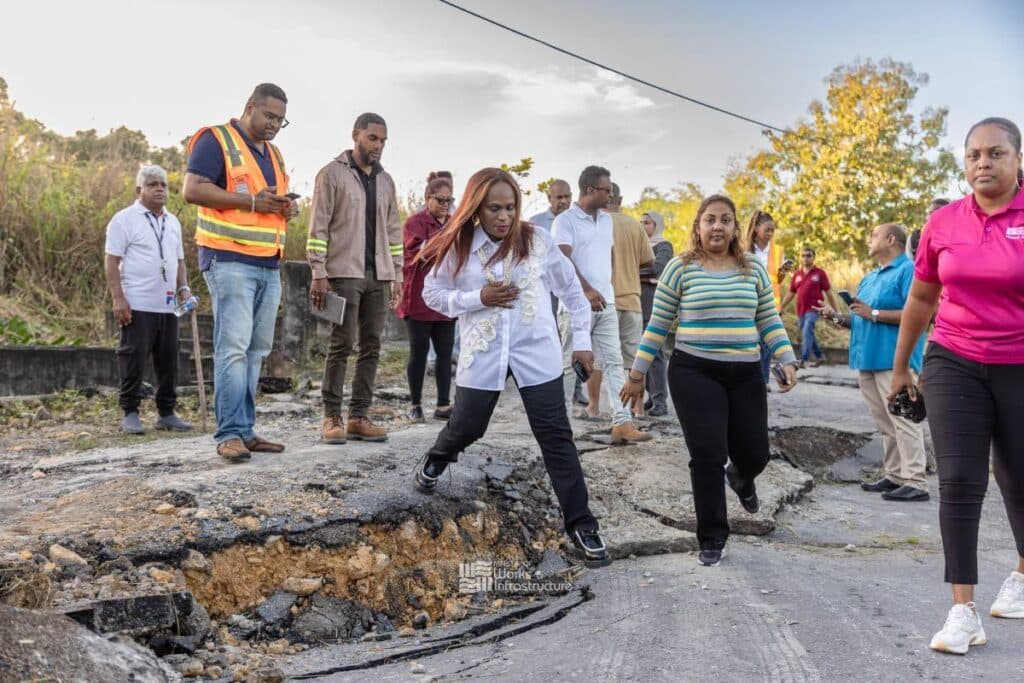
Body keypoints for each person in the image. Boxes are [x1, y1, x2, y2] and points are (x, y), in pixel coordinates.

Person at [414, 167, 610, 567]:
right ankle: (438, 456)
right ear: (476, 209)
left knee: (556, 437)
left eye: (510, 207)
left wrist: (583, 345)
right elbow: (433, 293)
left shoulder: (537, 240)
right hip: (483, 352)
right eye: (493, 209)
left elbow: (572, 292)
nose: (503, 217)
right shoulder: (461, 245)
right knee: (469, 425)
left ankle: (581, 524)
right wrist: (477, 297)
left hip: (536, 351)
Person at [889, 117, 1024, 655]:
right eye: (973, 155)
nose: (982, 164)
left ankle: (1018, 577)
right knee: (961, 482)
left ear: (1018, 160)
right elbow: (922, 299)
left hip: (1020, 362)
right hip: (953, 359)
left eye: (995, 153)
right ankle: (962, 611)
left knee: (1018, 480)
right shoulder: (943, 223)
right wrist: (902, 367)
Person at [621, 194, 798, 567]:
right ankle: (712, 535)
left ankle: (742, 477)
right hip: (694, 372)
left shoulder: (752, 268)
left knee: (754, 454)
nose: (717, 226)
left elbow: (768, 319)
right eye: (710, 220)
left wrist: (786, 358)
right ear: (698, 227)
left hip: (746, 372)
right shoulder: (681, 268)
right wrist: (637, 374)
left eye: (725, 220)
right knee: (707, 455)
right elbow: (659, 324)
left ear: (735, 228)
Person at [183, 83, 297, 462]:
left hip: (268, 264)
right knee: (232, 348)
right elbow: (193, 190)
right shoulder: (216, 140)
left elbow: (266, 203)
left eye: (281, 120)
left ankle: (245, 430)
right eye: (269, 116)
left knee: (255, 350)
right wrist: (251, 201)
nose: (274, 125)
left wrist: (282, 208)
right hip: (229, 260)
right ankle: (228, 433)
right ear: (250, 107)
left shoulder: (275, 154)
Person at [308, 113, 404, 445]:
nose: (377, 146)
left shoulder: (386, 181)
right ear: (356, 135)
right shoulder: (332, 174)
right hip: (343, 274)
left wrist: (397, 273)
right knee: (341, 344)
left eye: (383, 141)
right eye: (372, 138)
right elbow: (318, 227)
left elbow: (393, 231)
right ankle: (331, 416)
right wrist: (318, 271)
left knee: (372, 346)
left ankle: (359, 416)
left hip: (378, 275)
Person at [817, 224, 928, 501]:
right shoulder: (870, 277)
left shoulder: (909, 271)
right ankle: (895, 475)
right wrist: (837, 317)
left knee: (904, 420)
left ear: (891, 239)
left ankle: (916, 480)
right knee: (885, 422)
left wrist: (874, 312)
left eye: (874, 235)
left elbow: (918, 313)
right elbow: (861, 318)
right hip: (866, 359)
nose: (869, 240)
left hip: (894, 360)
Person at [552, 166, 651, 444]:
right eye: (606, 190)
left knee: (614, 362)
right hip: (575, 305)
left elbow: (602, 260)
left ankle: (622, 423)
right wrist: (585, 289)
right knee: (569, 365)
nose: (611, 195)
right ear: (590, 190)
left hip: (606, 302)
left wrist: (603, 291)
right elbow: (561, 260)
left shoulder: (606, 221)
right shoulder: (565, 221)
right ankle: (558, 427)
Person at [104, 166, 192, 435]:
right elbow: (111, 261)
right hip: (138, 304)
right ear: (139, 190)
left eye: (164, 184)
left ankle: (166, 413)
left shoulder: (173, 221)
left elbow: (179, 262)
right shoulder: (124, 219)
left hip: (167, 305)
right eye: (153, 184)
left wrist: (184, 289)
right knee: (133, 359)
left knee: (168, 360)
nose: (160, 189)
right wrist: (118, 299)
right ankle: (130, 412)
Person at [396, 174, 456, 423]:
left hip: (446, 297)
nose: (445, 205)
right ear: (427, 199)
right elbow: (419, 252)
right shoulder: (415, 222)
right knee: (418, 352)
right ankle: (415, 403)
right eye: (440, 200)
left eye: (449, 200)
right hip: (419, 298)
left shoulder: (454, 222)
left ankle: (443, 403)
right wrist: (447, 237)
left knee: (445, 352)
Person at [600, 183, 654, 418]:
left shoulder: (596, 225)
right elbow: (648, 261)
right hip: (632, 299)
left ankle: (593, 407)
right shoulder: (634, 224)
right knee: (635, 361)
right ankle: (638, 409)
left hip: (603, 301)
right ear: (620, 200)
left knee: (598, 360)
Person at [746, 210, 793, 386]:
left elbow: (777, 280)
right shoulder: (744, 249)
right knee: (752, 341)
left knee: (766, 345)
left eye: (773, 230)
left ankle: (762, 381)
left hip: (770, 303)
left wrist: (782, 273)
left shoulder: (778, 250)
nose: (770, 234)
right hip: (749, 301)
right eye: (767, 229)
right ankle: (750, 378)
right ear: (756, 228)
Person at [779, 247, 839, 367]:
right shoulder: (797, 274)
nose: (805, 258)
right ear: (800, 258)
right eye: (803, 255)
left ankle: (803, 359)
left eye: (809, 255)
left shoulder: (820, 273)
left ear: (813, 257)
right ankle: (819, 356)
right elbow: (791, 293)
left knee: (807, 329)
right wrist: (780, 308)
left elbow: (829, 293)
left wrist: (836, 311)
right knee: (808, 332)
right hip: (801, 310)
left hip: (815, 309)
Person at [639, 211, 674, 417]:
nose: (643, 225)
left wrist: (631, 272)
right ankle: (651, 397)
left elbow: (657, 269)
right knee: (640, 353)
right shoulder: (639, 245)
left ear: (657, 225)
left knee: (656, 353)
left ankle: (660, 401)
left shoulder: (664, 245)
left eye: (647, 222)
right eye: (640, 222)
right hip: (637, 300)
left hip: (655, 302)